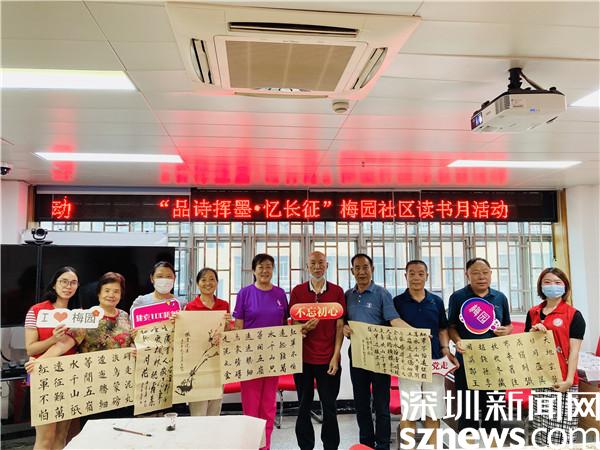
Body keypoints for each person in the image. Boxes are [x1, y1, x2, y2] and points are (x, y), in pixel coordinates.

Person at [26, 273, 134, 426]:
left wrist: (134, 348)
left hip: (120, 384)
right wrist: (39, 362)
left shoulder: (125, 316)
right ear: (98, 293)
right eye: (107, 290)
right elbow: (63, 344)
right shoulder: (87, 317)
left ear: (121, 295)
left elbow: (130, 342)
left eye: (116, 291)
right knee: (94, 429)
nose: (111, 295)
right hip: (93, 385)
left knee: (122, 427)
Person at [343, 253, 409, 450]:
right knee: (361, 404)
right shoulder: (348, 295)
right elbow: (343, 322)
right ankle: (366, 444)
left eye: (365, 267)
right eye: (357, 268)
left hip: (380, 356)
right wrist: (344, 327)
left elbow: (394, 320)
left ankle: (382, 444)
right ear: (352, 271)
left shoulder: (382, 294)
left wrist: (414, 333)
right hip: (357, 355)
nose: (361, 272)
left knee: (381, 404)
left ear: (372, 269)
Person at [393, 260, 459, 449]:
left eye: (421, 273)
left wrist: (446, 350)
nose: (416, 277)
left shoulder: (436, 301)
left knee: (433, 409)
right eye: (412, 273)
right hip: (408, 363)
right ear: (405, 276)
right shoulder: (397, 302)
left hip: (434, 361)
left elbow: (442, 329)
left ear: (427, 276)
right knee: (410, 411)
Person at [448, 257, 513, 437]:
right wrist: (457, 341)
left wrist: (506, 330)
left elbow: (508, 325)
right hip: (467, 362)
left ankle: (492, 443)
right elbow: (451, 327)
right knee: (468, 410)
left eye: (485, 272)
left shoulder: (500, 297)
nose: (481, 277)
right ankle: (468, 443)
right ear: (467, 275)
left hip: (495, 362)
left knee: (493, 409)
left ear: (491, 274)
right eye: (476, 273)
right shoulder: (458, 297)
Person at [289, 251, 345, 450]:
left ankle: (331, 446)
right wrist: (303, 328)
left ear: (327, 265)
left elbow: (340, 325)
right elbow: (294, 325)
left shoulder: (337, 292)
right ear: (307, 266)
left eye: (321, 263)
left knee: (329, 407)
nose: (317, 267)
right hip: (303, 359)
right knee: (303, 406)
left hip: (329, 360)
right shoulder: (298, 292)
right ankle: (306, 446)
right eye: (313, 263)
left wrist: (336, 355)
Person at [233, 254, 289, 450]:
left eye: (268, 267)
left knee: (268, 406)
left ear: (273, 269)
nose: (265, 270)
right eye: (260, 267)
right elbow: (238, 326)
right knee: (251, 407)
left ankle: (265, 446)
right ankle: (251, 446)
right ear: (254, 270)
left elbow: (285, 325)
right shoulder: (245, 293)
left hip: (272, 358)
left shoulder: (280, 294)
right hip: (250, 358)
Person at [526, 268, 585, 446]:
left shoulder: (573, 315)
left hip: (563, 379)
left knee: (561, 432)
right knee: (541, 427)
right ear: (541, 286)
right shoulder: (533, 313)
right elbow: (527, 345)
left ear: (565, 286)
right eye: (547, 282)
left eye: (558, 282)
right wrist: (533, 334)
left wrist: (569, 380)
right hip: (540, 378)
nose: (552, 286)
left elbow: (574, 351)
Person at [24, 266, 80, 450]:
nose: (68, 286)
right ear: (54, 284)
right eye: (63, 281)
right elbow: (31, 348)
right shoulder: (36, 311)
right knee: (45, 439)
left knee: (61, 436)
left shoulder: (79, 314)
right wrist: (53, 339)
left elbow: (75, 343)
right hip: (42, 375)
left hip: (70, 376)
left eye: (73, 282)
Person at [180, 267, 231, 416]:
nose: (208, 283)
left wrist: (228, 326)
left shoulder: (224, 305)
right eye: (203, 280)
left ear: (217, 283)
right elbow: (185, 335)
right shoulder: (190, 307)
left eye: (212, 279)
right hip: (197, 364)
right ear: (197, 283)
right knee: (198, 411)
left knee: (215, 408)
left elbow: (227, 334)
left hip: (217, 362)